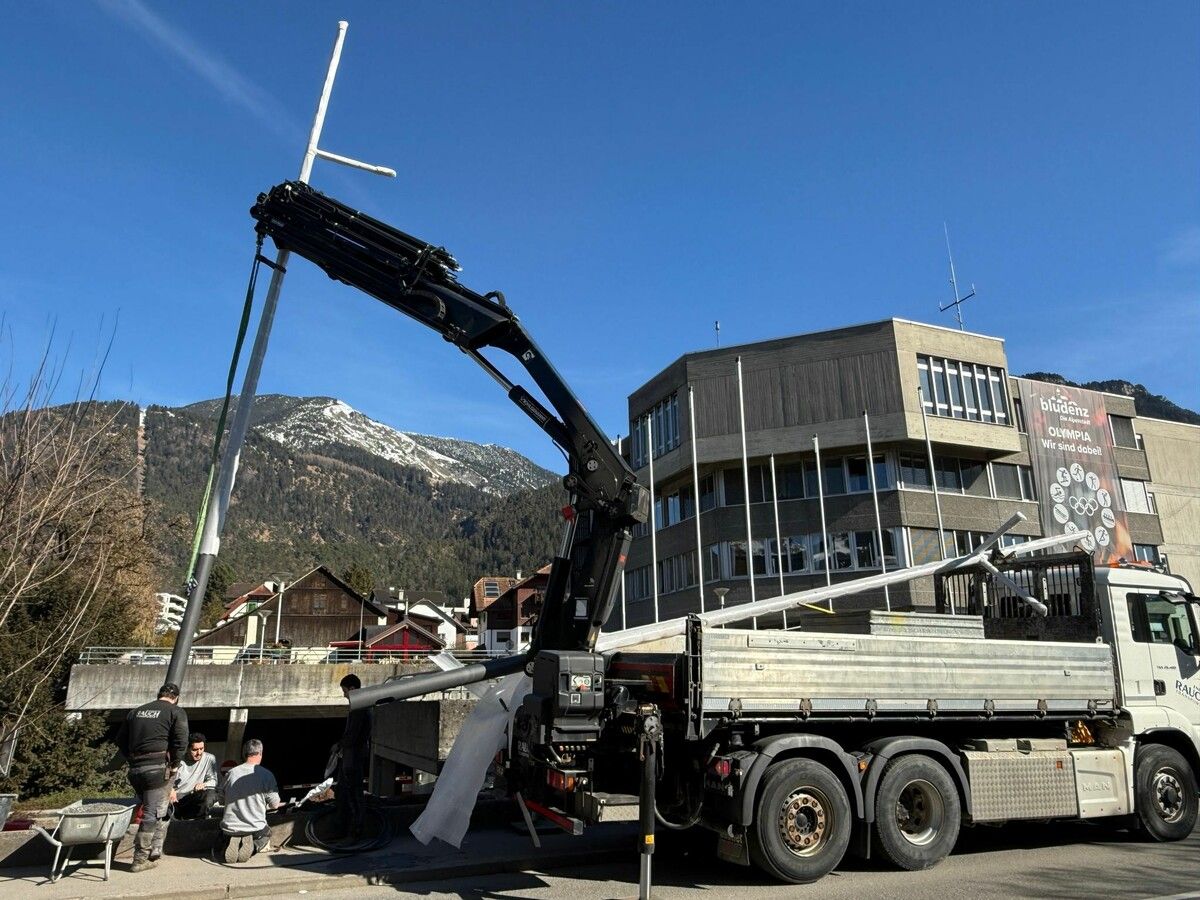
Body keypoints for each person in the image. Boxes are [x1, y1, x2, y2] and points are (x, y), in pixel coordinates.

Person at [115, 682, 189, 872]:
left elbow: (120, 740)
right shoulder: (175, 711)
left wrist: (132, 758)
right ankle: (140, 858)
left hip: (136, 770)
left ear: (159, 694)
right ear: (176, 698)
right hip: (157, 769)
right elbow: (181, 742)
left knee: (152, 808)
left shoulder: (136, 712)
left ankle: (154, 850)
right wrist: (174, 765)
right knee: (153, 813)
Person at [218, 738, 283, 863]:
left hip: (229, 827)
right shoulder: (267, 775)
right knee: (267, 833)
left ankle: (229, 841)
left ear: (244, 754)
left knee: (224, 830)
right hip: (254, 827)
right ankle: (253, 847)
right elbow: (274, 805)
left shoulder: (231, 773)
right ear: (260, 753)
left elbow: (221, 799)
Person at [334, 674, 371, 841]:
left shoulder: (358, 709)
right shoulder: (362, 707)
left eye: (345, 691)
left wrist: (339, 745)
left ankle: (355, 831)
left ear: (352, 689)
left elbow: (352, 736)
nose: (344, 695)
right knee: (352, 793)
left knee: (353, 794)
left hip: (353, 759)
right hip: (354, 757)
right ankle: (353, 830)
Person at [171, 732, 218, 820]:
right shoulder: (178, 760)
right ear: (188, 749)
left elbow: (214, 781)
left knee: (211, 793)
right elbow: (167, 780)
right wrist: (170, 789)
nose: (199, 752)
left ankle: (200, 821)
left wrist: (204, 784)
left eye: (201, 748)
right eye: (195, 750)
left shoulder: (210, 759)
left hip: (194, 796)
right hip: (178, 799)